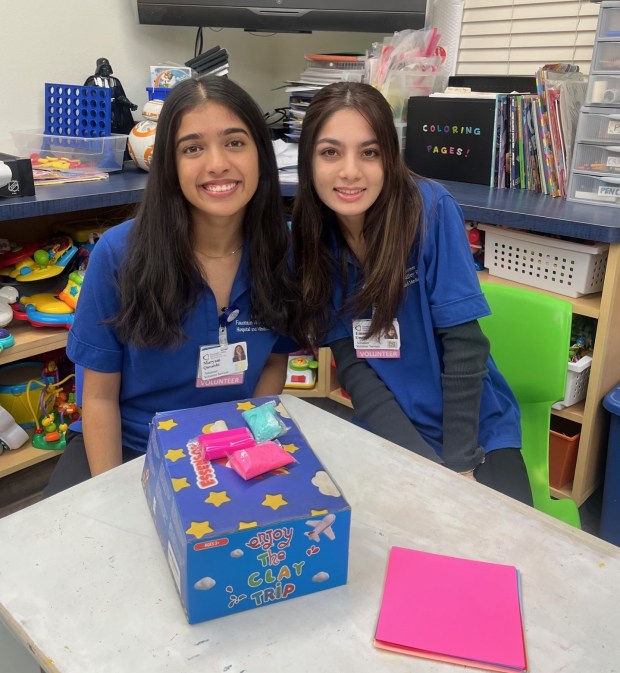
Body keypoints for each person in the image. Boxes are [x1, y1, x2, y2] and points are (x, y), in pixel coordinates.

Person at [45, 76, 297, 496]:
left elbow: (274, 362)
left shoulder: (284, 251)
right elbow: (100, 399)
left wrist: (254, 445)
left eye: (235, 142)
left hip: (229, 448)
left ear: (260, 155)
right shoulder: (119, 253)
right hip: (127, 449)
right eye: (192, 148)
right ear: (169, 164)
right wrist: (113, 494)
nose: (217, 164)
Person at [291, 82, 533, 506]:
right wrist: (421, 465)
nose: (350, 171)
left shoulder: (429, 209)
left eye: (369, 152)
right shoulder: (313, 240)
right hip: (392, 428)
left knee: (509, 554)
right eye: (331, 152)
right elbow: (353, 364)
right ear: (309, 160)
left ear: (390, 156)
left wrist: (458, 466)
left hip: (474, 429)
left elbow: (465, 344)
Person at [84, 58, 138, 135]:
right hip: (98, 110)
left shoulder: (115, 81)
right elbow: (87, 97)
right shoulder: (93, 81)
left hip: (113, 109)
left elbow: (120, 96)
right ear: (99, 68)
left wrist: (130, 104)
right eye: (103, 67)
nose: (106, 69)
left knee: (116, 126)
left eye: (107, 67)